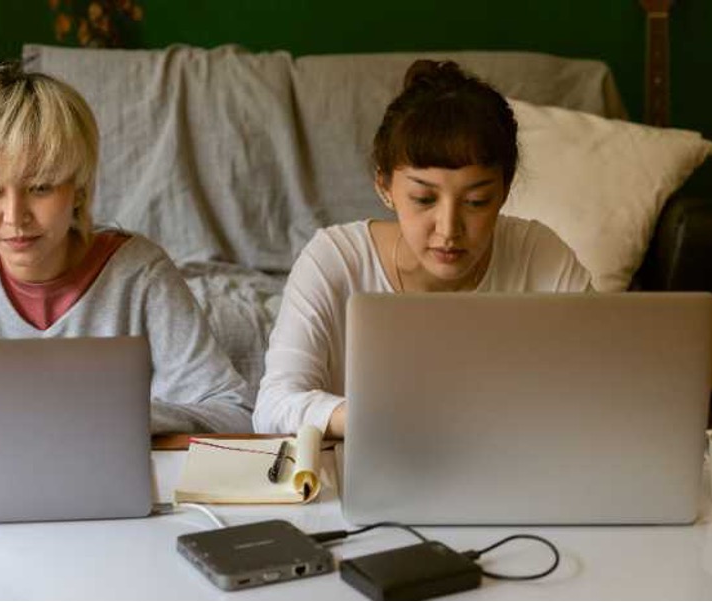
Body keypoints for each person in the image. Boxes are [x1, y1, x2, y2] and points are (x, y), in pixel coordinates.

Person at [0, 63, 251, 453]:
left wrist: (112, 419)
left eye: (40, 188)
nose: (15, 217)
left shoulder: (140, 273)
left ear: (78, 190)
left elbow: (234, 413)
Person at [253, 60, 592, 437]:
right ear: (384, 186)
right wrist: (373, 419)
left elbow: (608, 381)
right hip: (382, 471)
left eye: (477, 201)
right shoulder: (336, 259)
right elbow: (273, 405)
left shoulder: (539, 254)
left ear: (505, 191)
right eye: (423, 199)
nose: (449, 229)